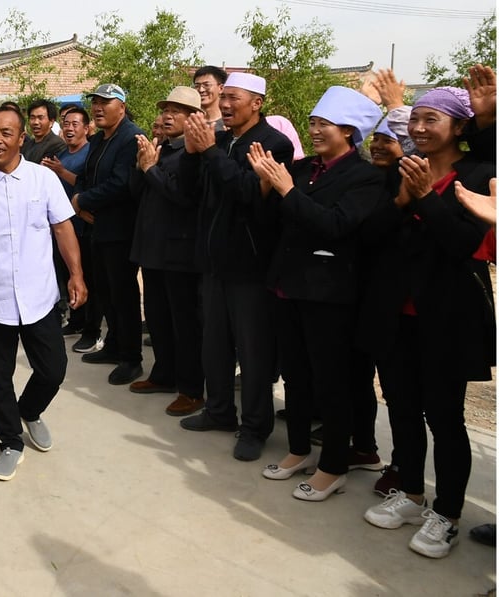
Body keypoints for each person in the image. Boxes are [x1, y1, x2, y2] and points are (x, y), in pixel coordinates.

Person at [359, 82, 495, 558]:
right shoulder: (401, 168)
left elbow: (463, 245)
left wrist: (425, 200)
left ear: (459, 126)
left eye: (431, 120)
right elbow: (371, 235)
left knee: (444, 417)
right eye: (414, 118)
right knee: (400, 408)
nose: (417, 128)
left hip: (447, 317)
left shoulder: (479, 174)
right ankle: (412, 494)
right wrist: (400, 200)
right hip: (397, 312)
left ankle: (448, 513)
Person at [248, 86, 384, 501]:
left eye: (323, 124)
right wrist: (268, 189)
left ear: (349, 131)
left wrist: (287, 190)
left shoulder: (366, 178)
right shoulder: (304, 168)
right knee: (296, 375)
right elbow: (274, 222)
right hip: (288, 285)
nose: (314, 131)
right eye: (312, 123)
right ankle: (300, 450)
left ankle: (334, 466)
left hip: (330, 294)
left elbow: (335, 226)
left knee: (331, 381)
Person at [0, 105, 86, 480]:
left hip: (39, 295)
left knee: (54, 369)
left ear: (21, 139)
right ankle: (10, 440)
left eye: (5, 133)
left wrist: (76, 275)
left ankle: (30, 409)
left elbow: (62, 229)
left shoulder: (43, 180)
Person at [177, 72, 294, 461]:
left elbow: (247, 194)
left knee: (254, 351)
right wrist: (195, 154)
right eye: (222, 98)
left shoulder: (274, 144)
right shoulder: (222, 140)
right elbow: (190, 192)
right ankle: (219, 410)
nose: (224, 105)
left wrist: (209, 151)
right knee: (215, 345)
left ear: (257, 103)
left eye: (233, 98)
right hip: (213, 263)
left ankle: (255, 427)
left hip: (250, 266)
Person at [128, 87, 206, 416]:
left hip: (180, 251)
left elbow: (182, 196)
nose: (168, 116)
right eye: (166, 110)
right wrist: (142, 165)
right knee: (158, 318)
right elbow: (137, 194)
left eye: (178, 110)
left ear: (194, 118)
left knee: (184, 323)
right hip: (153, 247)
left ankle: (190, 389)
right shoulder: (162, 149)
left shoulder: (193, 154)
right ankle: (163, 374)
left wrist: (150, 169)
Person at [71, 83, 146, 386]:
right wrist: (79, 199)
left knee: (123, 294)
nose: (98, 108)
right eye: (96, 103)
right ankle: (113, 345)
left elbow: (121, 184)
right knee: (104, 291)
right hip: (97, 226)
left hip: (120, 229)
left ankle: (131, 358)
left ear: (122, 108)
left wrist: (83, 201)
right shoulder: (101, 139)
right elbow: (86, 177)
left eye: (106, 103)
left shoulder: (131, 138)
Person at [41, 107, 102, 351]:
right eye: (66, 123)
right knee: (68, 276)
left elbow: (85, 185)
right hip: (62, 227)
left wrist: (60, 172)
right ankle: (76, 321)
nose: (69, 128)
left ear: (87, 128)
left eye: (76, 124)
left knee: (87, 278)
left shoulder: (90, 154)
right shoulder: (62, 154)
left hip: (84, 226)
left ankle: (92, 330)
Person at [22, 99, 66, 163]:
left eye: (40, 118)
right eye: (32, 118)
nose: (36, 122)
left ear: (51, 122)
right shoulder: (26, 145)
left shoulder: (57, 145)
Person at [192, 65, 227, 131]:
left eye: (206, 85)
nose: (201, 90)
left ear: (221, 88)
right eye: (197, 86)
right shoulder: (190, 122)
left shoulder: (229, 123)